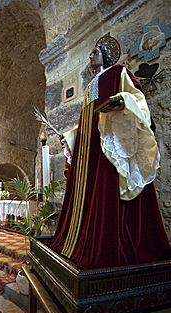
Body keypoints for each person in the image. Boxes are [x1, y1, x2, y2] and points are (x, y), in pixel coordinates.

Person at [50, 35, 171, 269]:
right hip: (91, 148)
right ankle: (81, 241)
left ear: (105, 53)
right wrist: (71, 136)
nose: (90, 55)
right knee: (89, 190)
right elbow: (87, 120)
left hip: (108, 142)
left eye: (95, 51)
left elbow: (137, 97)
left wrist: (122, 100)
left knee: (108, 187)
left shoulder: (117, 72)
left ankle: (108, 247)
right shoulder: (89, 85)